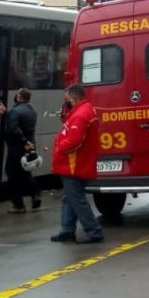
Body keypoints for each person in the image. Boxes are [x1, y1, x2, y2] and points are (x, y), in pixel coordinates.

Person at [50, 84, 104, 244]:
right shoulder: (85, 109)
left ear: (74, 97)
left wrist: (59, 147)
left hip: (74, 164)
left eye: (67, 100)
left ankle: (94, 231)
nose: (66, 102)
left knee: (76, 199)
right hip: (78, 162)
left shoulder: (80, 115)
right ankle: (67, 230)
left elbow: (74, 140)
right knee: (69, 198)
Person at [0, 87, 41, 214]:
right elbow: (19, 121)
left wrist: (23, 142)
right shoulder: (31, 110)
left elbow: (13, 129)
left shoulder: (15, 111)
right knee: (25, 172)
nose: (15, 96)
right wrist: (7, 113)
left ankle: (18, 205)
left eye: (17, 95)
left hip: (17, 148)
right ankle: (36, 194)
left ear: (20, 97)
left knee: (12, 175)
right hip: (30, 147)